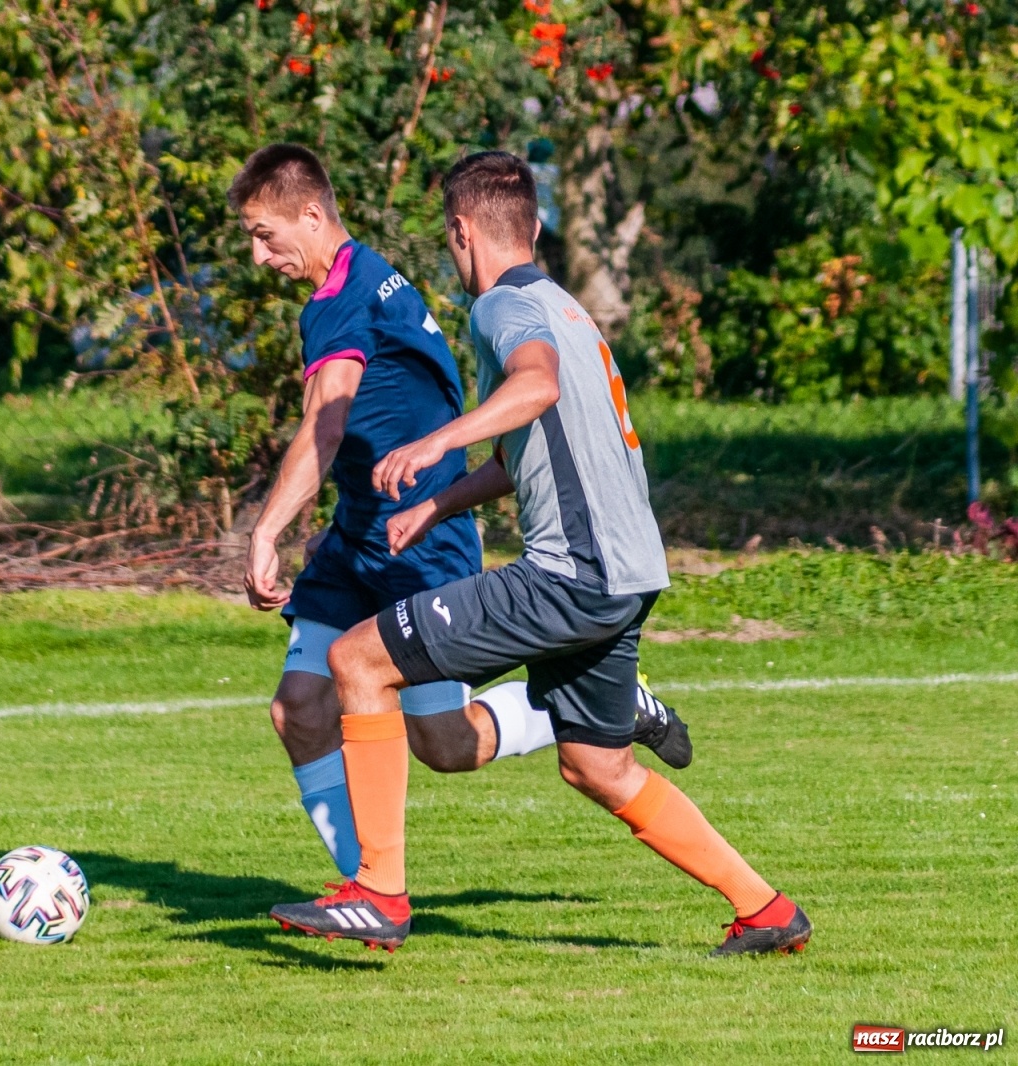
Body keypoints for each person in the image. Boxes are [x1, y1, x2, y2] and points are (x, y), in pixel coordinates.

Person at [269, 150, 808, 958]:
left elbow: (536, 386)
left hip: (569, 575)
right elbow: (525, 448)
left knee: (357, 662)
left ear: (461, 231)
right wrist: (439, 500)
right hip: (627, 577)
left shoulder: (501, 309)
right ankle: (766, 909)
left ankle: (378, 893)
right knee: (598, 767)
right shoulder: (564, 304)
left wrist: (435, 440)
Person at [229, 144, 692, 885]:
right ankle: (370, 887)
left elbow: (326, 423)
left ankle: (591, 707)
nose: (259, 256)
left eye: (263, 234)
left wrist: (265, 531)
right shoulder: (361, 281)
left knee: (443, 744)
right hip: (362, 534)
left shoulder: (349, 297)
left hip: (419, 544)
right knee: (298, 710)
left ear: (311, 216)